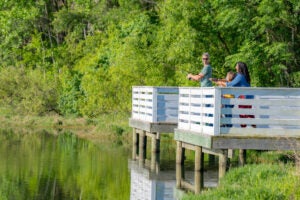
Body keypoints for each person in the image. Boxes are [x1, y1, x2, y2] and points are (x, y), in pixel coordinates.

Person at [215, 62, 255, 128]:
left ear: (239, 68)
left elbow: (230, 84)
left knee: (243, 114)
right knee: (248, 113)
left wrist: (219, 82)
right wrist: (219, 80)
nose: (235, 67)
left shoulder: (240, 76)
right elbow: (230, 80)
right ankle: (253, 126)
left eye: (236, 66)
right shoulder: (242, 76)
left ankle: (245, 128)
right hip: (248, 96)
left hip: (244, 97)